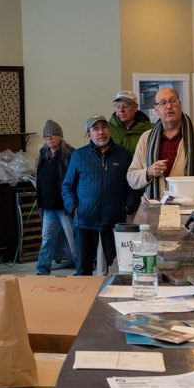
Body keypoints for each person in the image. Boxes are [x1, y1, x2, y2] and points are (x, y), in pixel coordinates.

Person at [62, 114, 133, 276]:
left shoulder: (123, 154)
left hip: (114, 222)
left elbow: (132, 184)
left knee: (119, 268)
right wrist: (74, 208)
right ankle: (84, 293)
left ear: (109, 130)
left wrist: (128, 206)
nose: (101, 132)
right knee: (83, 269)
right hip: (84, 221)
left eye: (104, 127)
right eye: (96, 129)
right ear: (88, 134)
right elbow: (67, 186)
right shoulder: (79, 155)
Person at [34, 119, 78, 275]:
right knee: (47, 239)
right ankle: (42, 269)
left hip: (65, 207)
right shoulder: (43, 154)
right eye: (47, 135)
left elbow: (74, 180)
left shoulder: (69, 154)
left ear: (60, 136)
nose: (50, 138)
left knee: (73, 240)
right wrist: (40, 204)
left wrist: (73, 204)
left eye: (53, 134)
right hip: (49, 207)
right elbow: (40, 180)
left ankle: (82, 269)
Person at [109, 90, 153, 214]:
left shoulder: (149, 131)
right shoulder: (107, 130)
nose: (121, 110)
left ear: (136, 107)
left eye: (126, 106)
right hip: (115, 189)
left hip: (141, 188)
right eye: (118, 106)